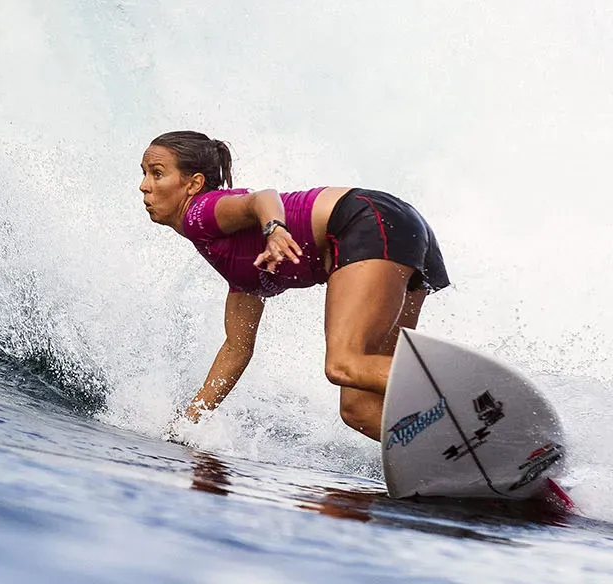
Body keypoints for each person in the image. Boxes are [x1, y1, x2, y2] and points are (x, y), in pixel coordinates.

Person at [140, 130, 450, 439]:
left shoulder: (201, 212)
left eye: (157, 174)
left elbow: (262, 198)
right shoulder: (238, 267)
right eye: (144, 174)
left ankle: (466, 391)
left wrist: (274, 229)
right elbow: (236, 349)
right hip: (400, 229)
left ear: (193, 183)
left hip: (368, 221)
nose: (144, 186)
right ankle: (456, 447)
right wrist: (186, 426)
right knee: (359, 408)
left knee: (343, 364)